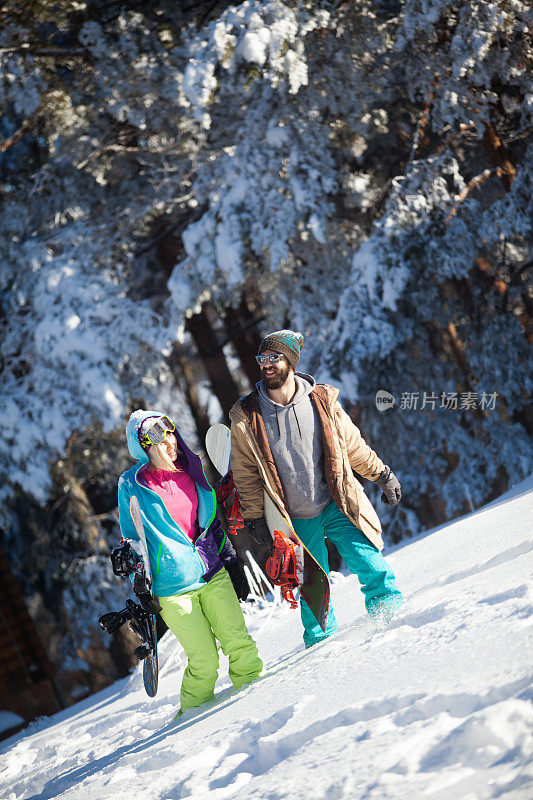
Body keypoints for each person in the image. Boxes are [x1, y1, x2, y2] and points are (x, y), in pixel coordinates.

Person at [229, 330, 403, 648]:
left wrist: (382, 474)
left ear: (291, 361)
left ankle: (391, 622)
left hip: (335, 502)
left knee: (371, 562)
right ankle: (320, 650)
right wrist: (255, 519)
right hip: (294, 519)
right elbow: (246, 475)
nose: (267, 365)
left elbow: (352, 446)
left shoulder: (320, 400)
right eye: (262, 359)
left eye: (274, 358)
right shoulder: (248, 417)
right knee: (314, 592)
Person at [117, 409, 263, 717]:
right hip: (173, 588)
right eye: (159, 440)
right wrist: (140, 585)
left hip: (212, 572)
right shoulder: (133, 485)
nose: (170, 444)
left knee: (241, 646)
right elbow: (132, 540)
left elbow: (210, 523)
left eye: (171, 434)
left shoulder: (191, 468)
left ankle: (258, 702)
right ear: (143, 447)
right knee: (205, 662)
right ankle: (193, 722)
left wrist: (231, 561)